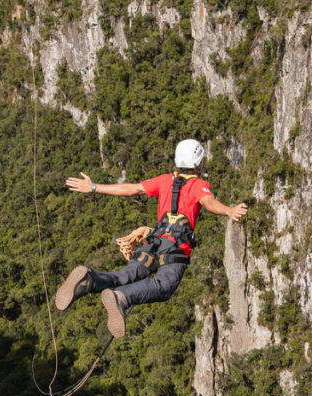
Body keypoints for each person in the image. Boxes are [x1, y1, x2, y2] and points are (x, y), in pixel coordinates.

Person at [55, 139, 248, 338]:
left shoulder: (165, 180)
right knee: (163, 287)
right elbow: (209, 202)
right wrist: (229, 210)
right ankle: (121, 298)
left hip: (152, 243)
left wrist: (94, 187)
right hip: (175, 249)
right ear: (198, 163)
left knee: (122, 277)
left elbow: (132, 189)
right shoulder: (199, 185)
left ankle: (89, 280)